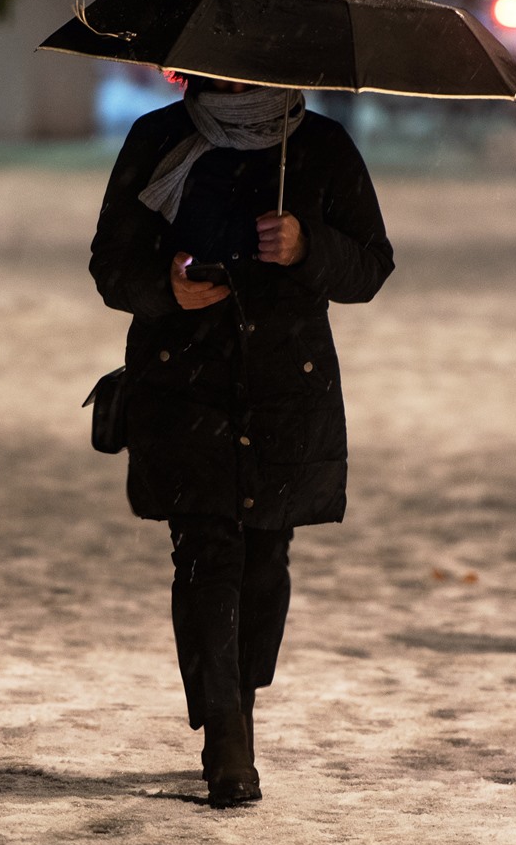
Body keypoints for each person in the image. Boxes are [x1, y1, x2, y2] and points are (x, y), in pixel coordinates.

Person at [90, 75, 393, 807]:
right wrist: (166, 286)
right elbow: (110, 264)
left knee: (264, 558)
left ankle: (239, 703)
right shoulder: (160, 141)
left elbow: (371, 266)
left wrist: (306, 247)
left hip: (285, 387)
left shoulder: (319, 146)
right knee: (205, 552)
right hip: (182, 383)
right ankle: (225, 734)